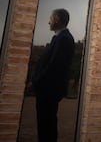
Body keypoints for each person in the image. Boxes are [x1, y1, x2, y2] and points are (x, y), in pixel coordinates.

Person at [32, 8, 75, 142]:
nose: (48, 22)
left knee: (47, 126)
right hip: (47, 90)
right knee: (45, 125)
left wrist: (36, 81)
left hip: (49, 90)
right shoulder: (59, 38)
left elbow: (54, 66)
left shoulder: (64, 39)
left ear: (56, 20)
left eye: (50, 19)